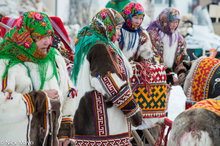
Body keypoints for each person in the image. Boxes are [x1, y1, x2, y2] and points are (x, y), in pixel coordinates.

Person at [0, 11, 75, 146]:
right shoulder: (7, 63)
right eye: (39, 37)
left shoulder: (55, 58)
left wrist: (65, 127)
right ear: (25, 36)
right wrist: (37, 99)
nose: (47, 41)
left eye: (49, 35)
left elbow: (68, 91)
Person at [71, 8, 143, 145]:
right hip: (103, 126)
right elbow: (110, 83)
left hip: (88, 120)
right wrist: (133, 111)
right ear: (106, 26)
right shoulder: (100, 48)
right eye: (116, 28)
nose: (119, 32)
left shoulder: (91, 43)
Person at [147, 8, 189, 85]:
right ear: (164, 21)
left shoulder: (178, 37)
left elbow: (182, 55)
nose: (175, 25)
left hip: (170, 76)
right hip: (154, 76)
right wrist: (167, 73)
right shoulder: (152, 34)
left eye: (176, 22)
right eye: (172, 22)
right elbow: (152, 56)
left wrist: (181, 71)